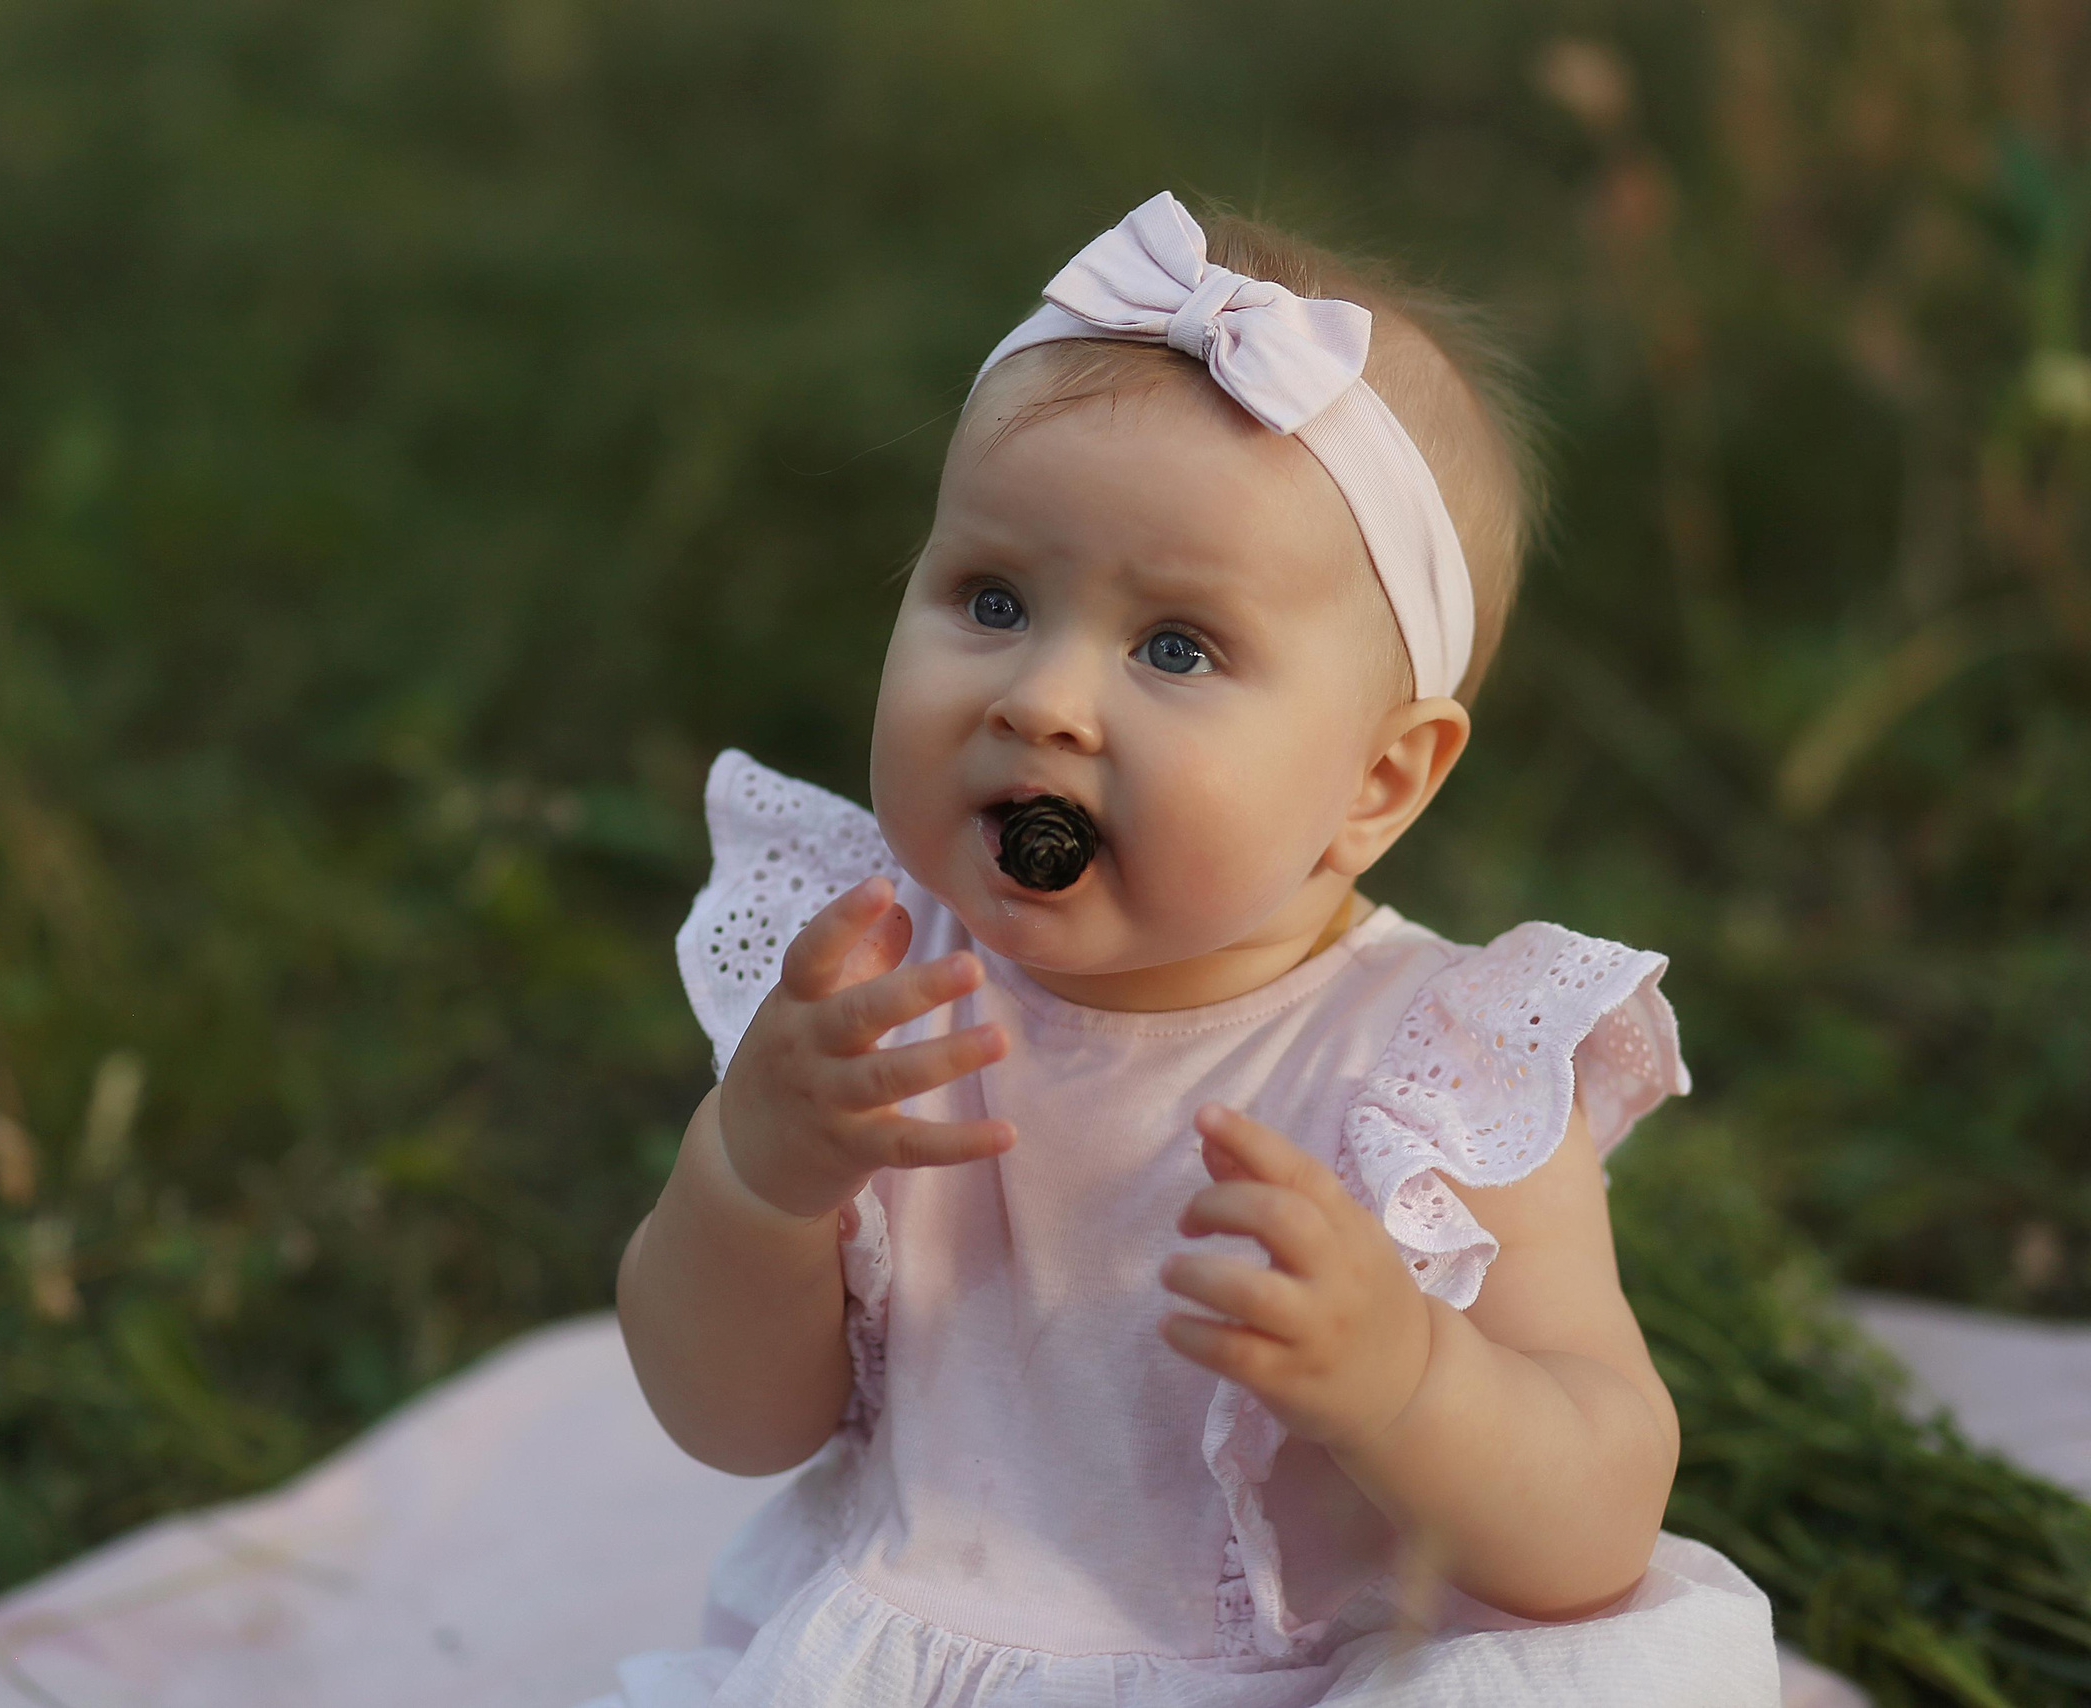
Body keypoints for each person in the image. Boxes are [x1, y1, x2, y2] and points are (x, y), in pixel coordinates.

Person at [603, 192, 1780, 1705]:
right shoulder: (880, 987)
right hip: (929, 1643)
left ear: (1378, 784)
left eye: (1175, 647)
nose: (1041, 699)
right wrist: (756, 1180)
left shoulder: (1435, 1067)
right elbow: (734, 1422)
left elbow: (1597, 1522)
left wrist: (1411, 1377)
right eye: (993, 598)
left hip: (1328, 1671)